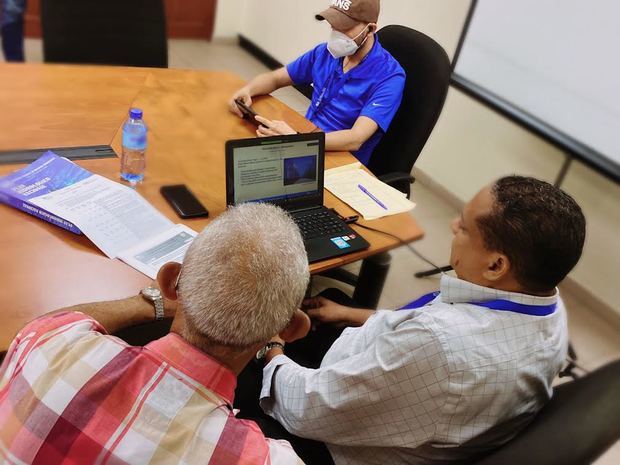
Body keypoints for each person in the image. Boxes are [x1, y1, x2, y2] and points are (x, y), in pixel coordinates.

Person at [253, 176, 586, 465]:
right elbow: (432, 326)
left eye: (466, 227)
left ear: (496, 266)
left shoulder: (438, 345)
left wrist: (272, 346)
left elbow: (307, 409)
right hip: (408, 396)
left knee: (240, 354)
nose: (453, 225)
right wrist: (350, 315)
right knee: (333, 302)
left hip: (334, 447)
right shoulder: (548, 306)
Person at [0, 203, 313, 465]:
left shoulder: (48, 344)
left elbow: (55, 321)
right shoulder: (266, 459)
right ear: (292, 328)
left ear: (170, 281)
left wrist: (147, 303)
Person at [228, 0, 405, 166]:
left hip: (339, 159)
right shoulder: (326, 53)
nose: (336, 33)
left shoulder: (390, 77)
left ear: (370, 29)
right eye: (334, 25)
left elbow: (356, 138)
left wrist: (298, 141)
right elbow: (276, 78)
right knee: (239, 156)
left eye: (344, 27)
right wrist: (247, 90)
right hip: (304, 139)